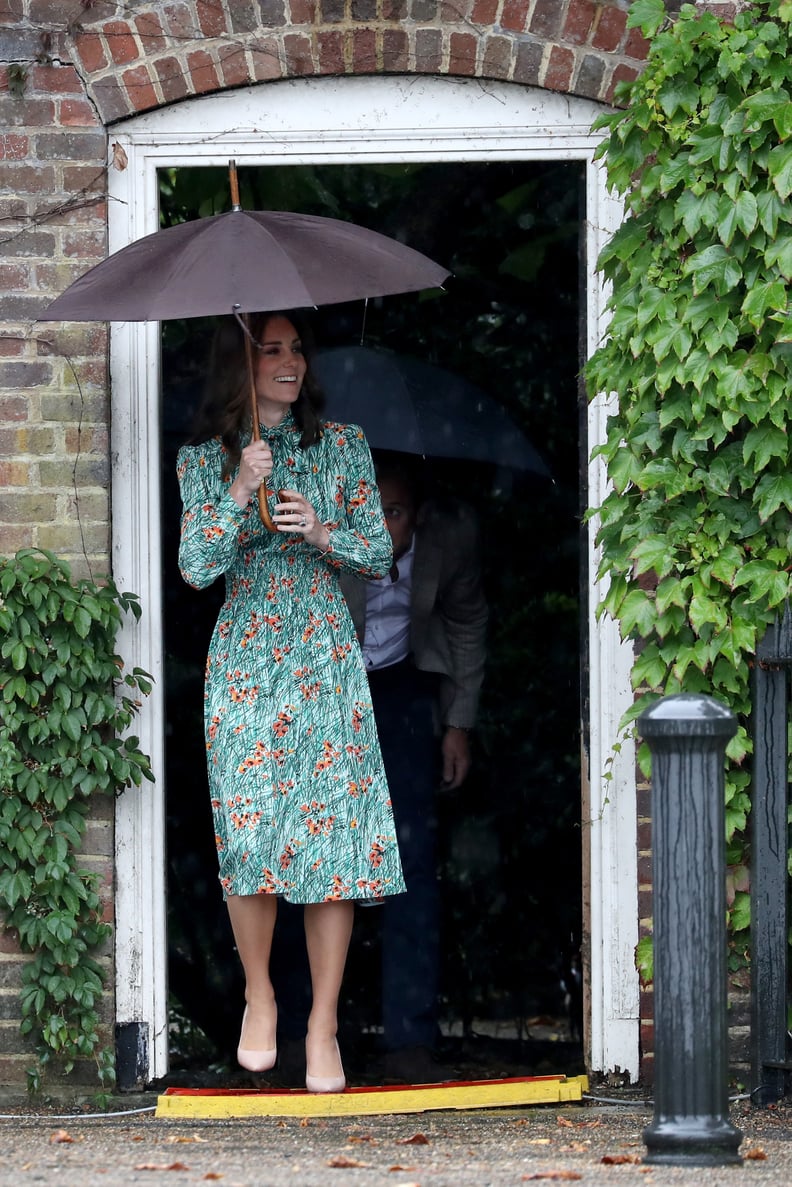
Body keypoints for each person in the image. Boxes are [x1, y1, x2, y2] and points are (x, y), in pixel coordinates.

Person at [176, 310, 406, 1094]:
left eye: (296, 348)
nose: (290, 362)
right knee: (250, 833)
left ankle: (323, 1026)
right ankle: (261, 996)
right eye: (271, 350)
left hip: (322, 655)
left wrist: (324, 532)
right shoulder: (206, 459)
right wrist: (241, 487)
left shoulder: (341, 446)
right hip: (245, 658)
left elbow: (379, 551)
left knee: (330, 843)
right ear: (238, 365)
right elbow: (197, 567)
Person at [339, 457, 488, 1081]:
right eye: (368, 508)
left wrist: (458, 725)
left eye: (393, 511)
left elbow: (467, 623)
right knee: (317, 856)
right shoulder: (327, 533)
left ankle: (410, 1038)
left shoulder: (450, 539)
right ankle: (309, 1031)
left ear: (418, 517)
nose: (378, 522)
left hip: (404, 687)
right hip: (328, 683)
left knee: (411, 859)